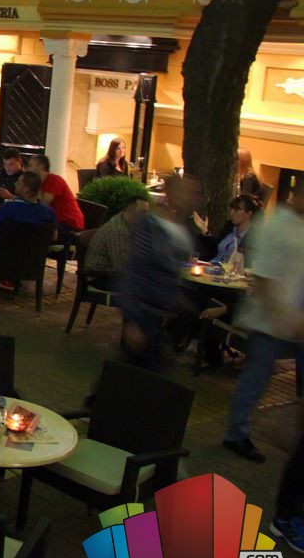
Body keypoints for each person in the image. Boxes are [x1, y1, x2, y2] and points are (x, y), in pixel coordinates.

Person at [222, 177, 304, 463]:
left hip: (289, 317)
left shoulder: (295, 226)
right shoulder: (278, 227)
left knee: (260, 376)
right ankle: (236, 433)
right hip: (272, 319)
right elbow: (265, 278)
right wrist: (286, 317)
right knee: (256, 377)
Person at [119, 175, 204, 371]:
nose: (192, 198)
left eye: (196, 194)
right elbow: (134, 271)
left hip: (166, 316)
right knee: (132, 371)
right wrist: (132, 319)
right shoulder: (148, 224)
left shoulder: (187, 228)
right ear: (172, 193)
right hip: (145, 312)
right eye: (187, 192)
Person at [83, 195, 149, 290]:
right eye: (142, 212)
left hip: (112, 274)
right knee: (148, 289)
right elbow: (121, 266)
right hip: (100, 277)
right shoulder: (118, 230)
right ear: (130, 210)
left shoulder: (125, 223)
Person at [27, 154, 84, 234]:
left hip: (69, 223)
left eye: (31, 165)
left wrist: (37, 184)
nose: (28, 169)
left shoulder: (54, 180)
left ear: (41, 166)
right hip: (55, 221)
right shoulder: (43, 181)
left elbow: (44, 203)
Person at [211, 194, 259, 265]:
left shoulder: (253, 237)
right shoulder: (229, 226)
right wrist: (205, 231)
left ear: (249, 213)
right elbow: (214, 248)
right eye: (231, 209)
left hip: (230, 270)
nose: (231, 213)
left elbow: (247, 263)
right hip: (212, 265)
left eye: (236, 210)